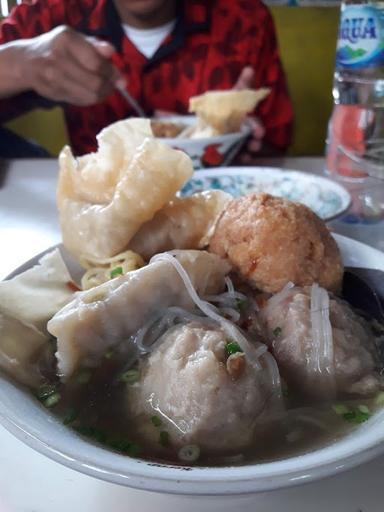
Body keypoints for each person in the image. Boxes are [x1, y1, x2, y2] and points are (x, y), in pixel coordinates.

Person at [0, 0, 293, 160]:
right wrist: (17, 65)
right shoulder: (53, 12)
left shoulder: (244, 19)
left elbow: (276, 144)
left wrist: (241, 138)